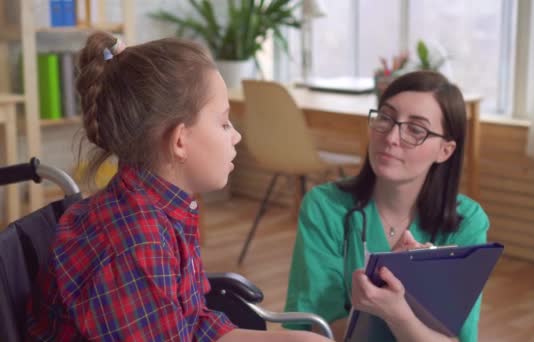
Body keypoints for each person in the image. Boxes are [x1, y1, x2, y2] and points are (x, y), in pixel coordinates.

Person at [26, 32, 329, 342]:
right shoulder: (134, 245)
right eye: (224, 123)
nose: (235, 136)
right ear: (180, 140)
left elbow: (189, 323)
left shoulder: (163, 209)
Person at [284, 71, 490, 341]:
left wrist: (397, 313)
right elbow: (315, 331)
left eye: (415, 130)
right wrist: (375, 305)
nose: (392, 137)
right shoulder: (325, 207)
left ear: (445, 151)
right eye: (386, 118)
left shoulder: (467, 222)